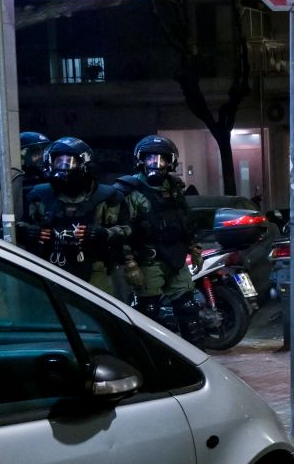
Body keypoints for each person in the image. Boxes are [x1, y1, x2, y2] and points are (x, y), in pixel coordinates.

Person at [115, 135, 205, 343]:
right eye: (150, 159)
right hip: (148, 259)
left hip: (176, 257)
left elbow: (185, 220)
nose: (156, 164)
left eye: (161, 159)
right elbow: (122, 229)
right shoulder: (129, 189)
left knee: (188, 308)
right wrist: (129, 263)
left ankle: (198, 357)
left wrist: (194, 248)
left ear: (170, 162)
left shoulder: (174, 188)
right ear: (141, 160)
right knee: (148, 312)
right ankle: (151, 359)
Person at [18, 137, 128, 294]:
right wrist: (28, 232)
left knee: (96, 313)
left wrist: (103, 233)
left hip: (95, 268)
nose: (63, 167)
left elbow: (126, 231)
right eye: (58, 162)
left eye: (69, 162)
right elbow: (19, 226)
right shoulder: (39, 195)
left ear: (83, 164)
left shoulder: (106, 197)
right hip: (49, 267)